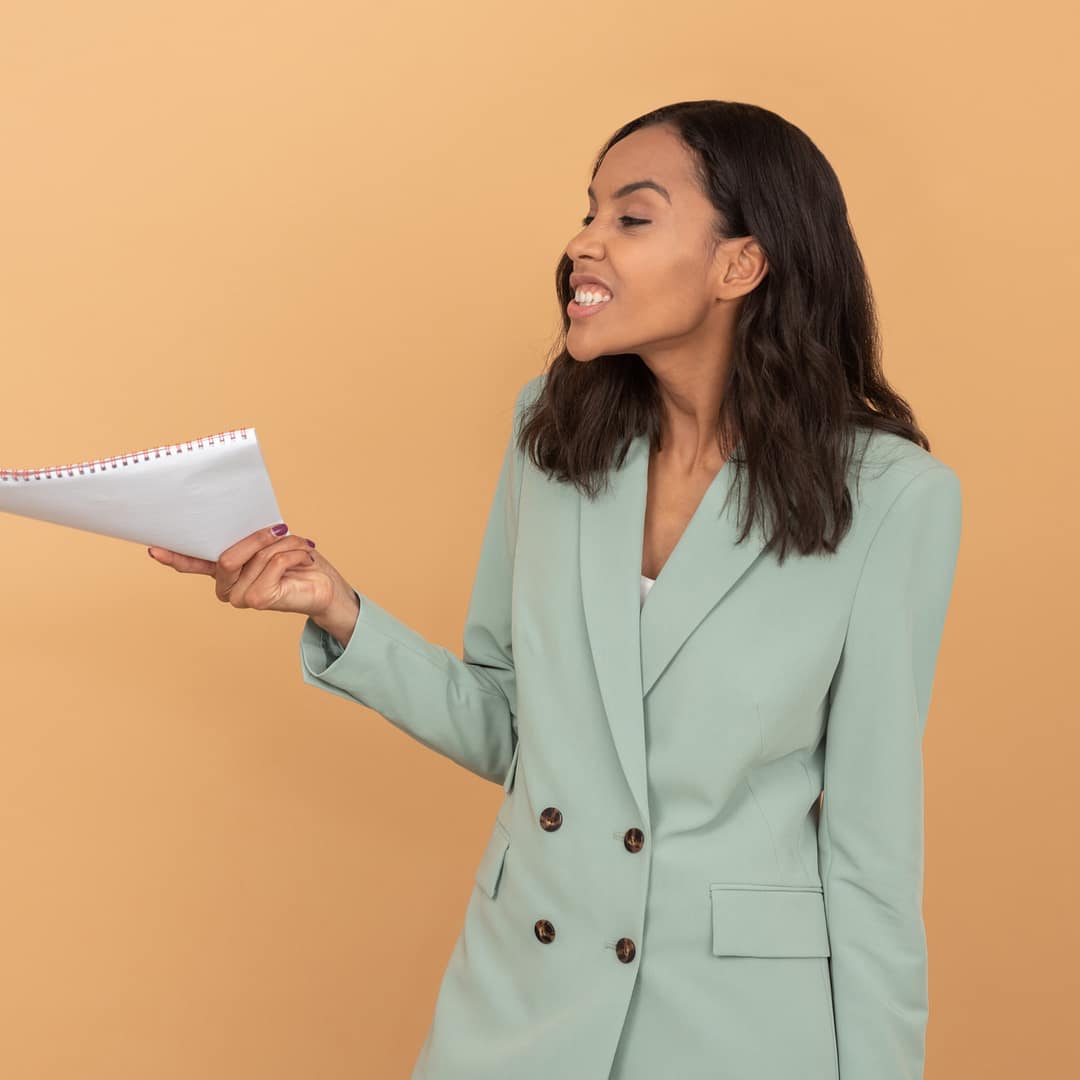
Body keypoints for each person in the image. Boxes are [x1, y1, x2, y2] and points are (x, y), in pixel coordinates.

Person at [149, 100, 962, 1080]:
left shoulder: (891, 501)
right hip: (519, 1004)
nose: (584, 243)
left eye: (632, 216)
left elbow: (873, 855)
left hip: (737, 1027)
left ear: (739, 265)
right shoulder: (557, 434)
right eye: (589, 212)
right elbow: (513, 727)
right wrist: (333, 605)